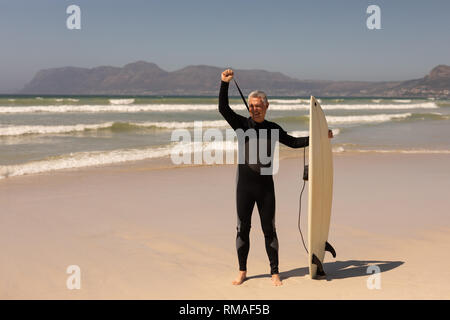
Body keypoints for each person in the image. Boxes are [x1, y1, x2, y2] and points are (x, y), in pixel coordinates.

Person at [218, 69, 333, 286]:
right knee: (243, 229)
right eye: (251, 106)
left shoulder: (273, 129)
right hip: (244, 187)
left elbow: (293, 142)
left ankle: (274, 272)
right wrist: (224, 83)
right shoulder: (242, 125)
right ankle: (242, 271)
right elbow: (223, 109)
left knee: (269, 229)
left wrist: (319, 137)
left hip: (265, 189)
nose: (254, 109)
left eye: (258, 105)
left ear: (266, 106)